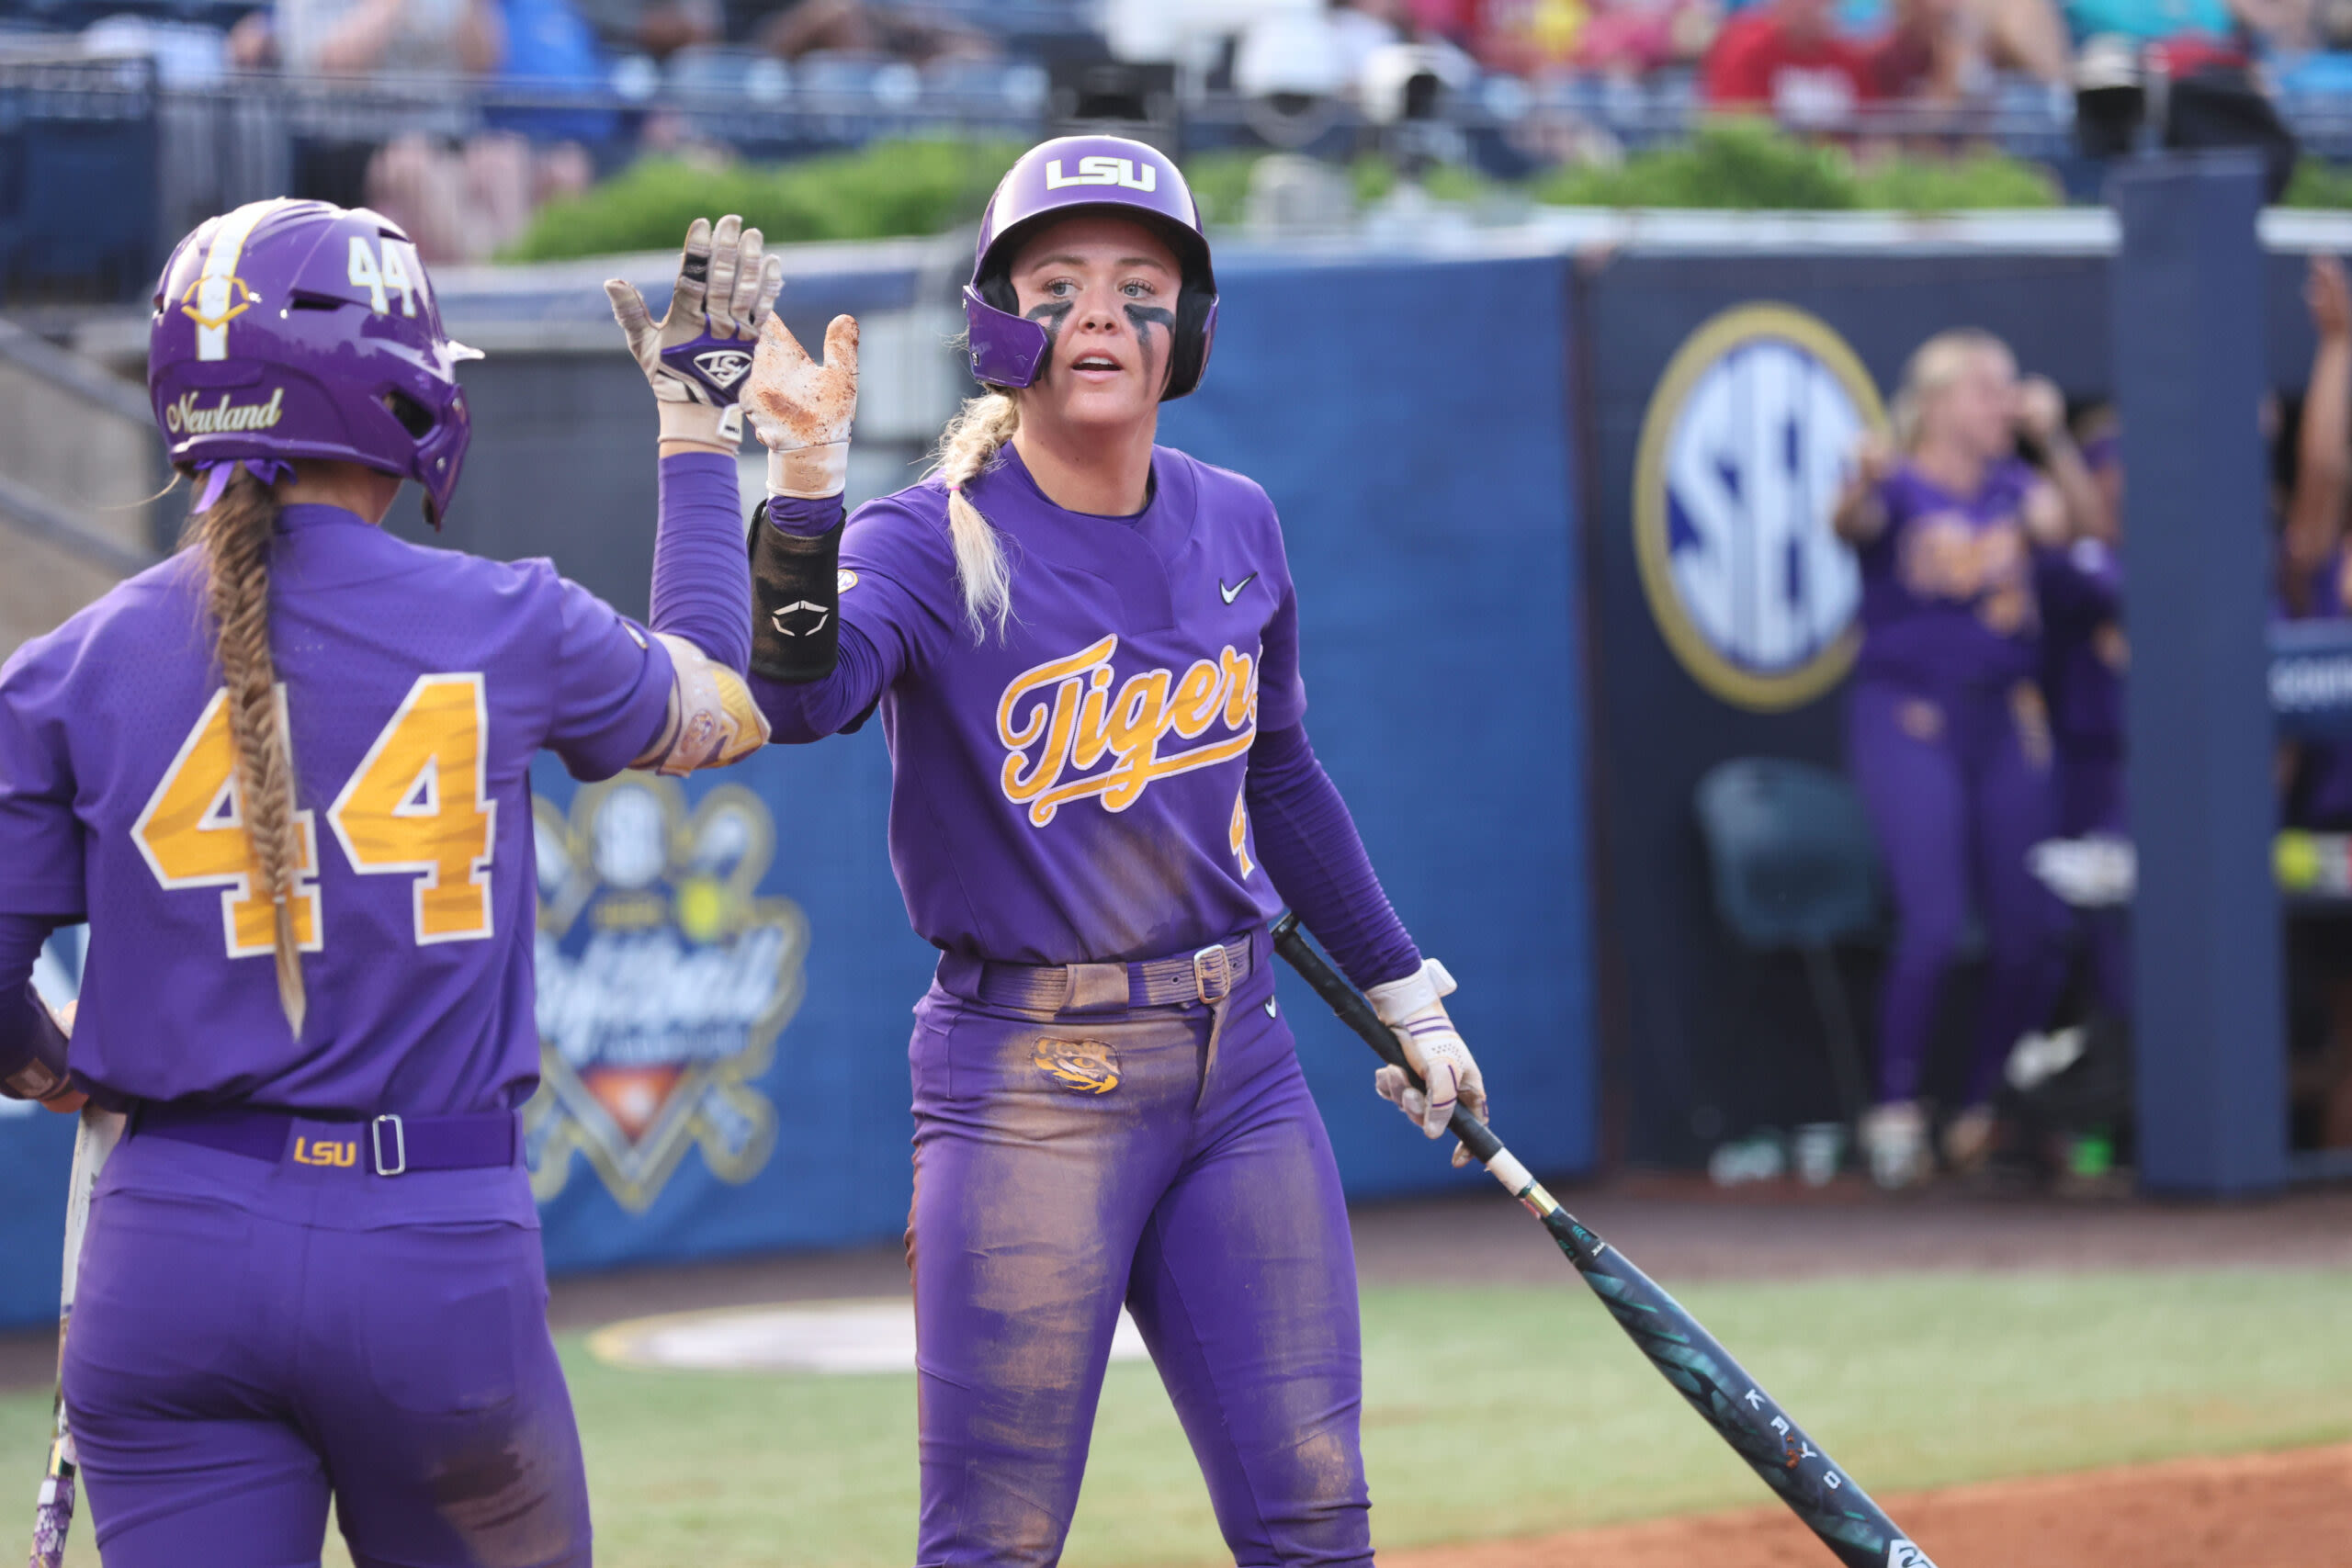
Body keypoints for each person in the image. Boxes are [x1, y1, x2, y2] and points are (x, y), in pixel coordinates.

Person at [735, 134, 1488, 1564]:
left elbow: (1280, 772)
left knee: (1318, 1512)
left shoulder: (1238, 519)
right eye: (1059, 280)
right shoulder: (926, 538)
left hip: (1244, 1062)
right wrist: (804, 482)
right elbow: (796, 699)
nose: (1100, 312)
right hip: (1028, 1077)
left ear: (1190, 330)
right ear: (995, 323)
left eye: (1142, 284)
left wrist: (1406, 992)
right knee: (996, 1542)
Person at [0, 199, 777, 1565]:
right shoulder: (508, 619)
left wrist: (55, 1065)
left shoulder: (68, 665)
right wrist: (698, 429)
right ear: (402, 391)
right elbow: (723, 705)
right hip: (430, 1247)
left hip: (171, 1239)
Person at [1831, 329, 2100, 1189]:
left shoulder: (2018, 487)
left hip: (2004, 717)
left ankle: (1984, 1107)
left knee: (2035, 927)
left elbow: (2090, 536)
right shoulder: (1897, 480)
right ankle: (1896, 1109)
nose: (2005, 402)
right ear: (1940, 399)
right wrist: (1858, 479)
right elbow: (1852, 521)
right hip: (1911, 713)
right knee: (1936, 920)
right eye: (1988, 389)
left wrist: (2053, 437)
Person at [1702, 0, 1877, 124]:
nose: (1813, 7)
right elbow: (1737, 125)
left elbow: (1875, 123)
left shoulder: (1848, 57)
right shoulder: (1745, 50)